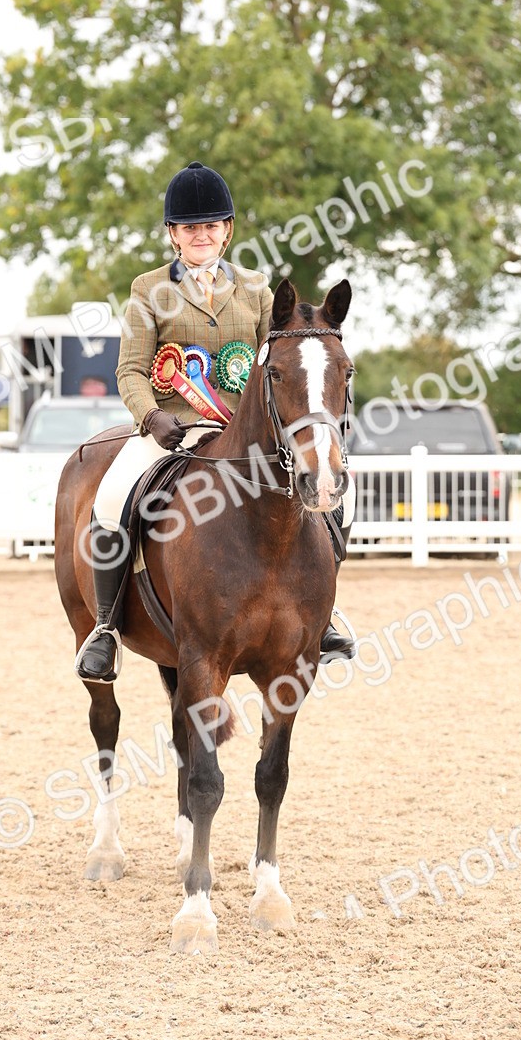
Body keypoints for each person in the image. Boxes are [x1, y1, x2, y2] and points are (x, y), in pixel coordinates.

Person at [75, 161, 355, 682]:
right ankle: (107, 627)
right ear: (173, 234)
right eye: (189, 227)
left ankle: (322, 614)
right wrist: (151, 415)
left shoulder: (256, 290)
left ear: (227, 230)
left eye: (210, 225)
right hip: (173, 430)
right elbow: (130, 370)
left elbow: (275, 362)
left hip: (243, 431)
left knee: (338, 492)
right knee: (112, 497)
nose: (200, 235)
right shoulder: (148, 289)